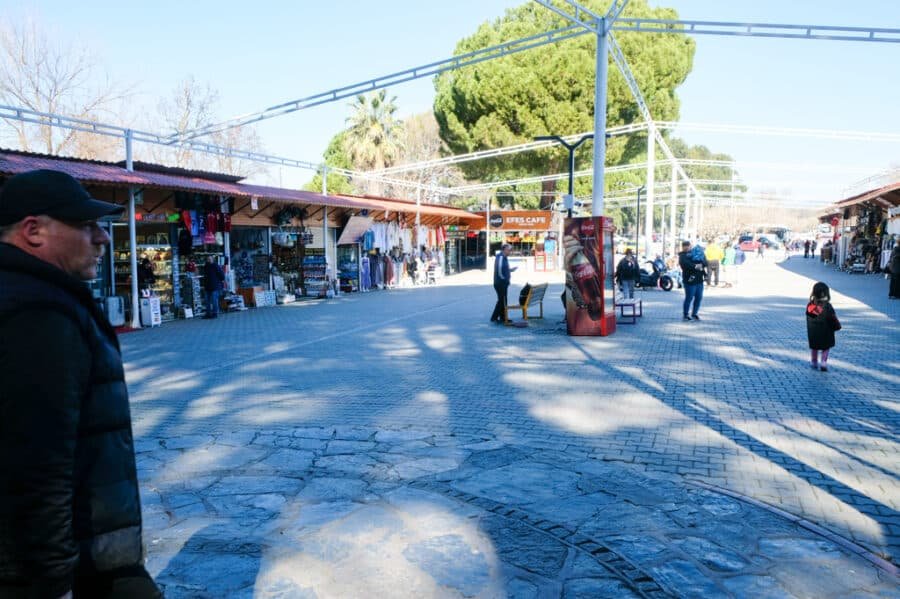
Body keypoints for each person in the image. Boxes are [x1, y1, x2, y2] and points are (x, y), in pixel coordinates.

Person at [0, 169, 161, 597]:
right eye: (86, 226)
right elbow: (35, 465)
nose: (103, 238)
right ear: (34, 230)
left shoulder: (45, 298)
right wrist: (53, 583)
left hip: (86, 552)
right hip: (70, 565)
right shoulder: (35, 313)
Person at [806, 281, 841, 372]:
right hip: (826, 331)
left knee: (814, 347)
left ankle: (814, 362)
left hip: (813, 332)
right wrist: (837, 326)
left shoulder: (810, 305)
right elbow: (832, 318)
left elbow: (810, 317)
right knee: (826, 347)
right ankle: (823, 362)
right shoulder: (827, 306)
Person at [678, 240, 707, 321]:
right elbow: (686, 264)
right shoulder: (682, 256)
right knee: (689, 298)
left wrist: (700, 265)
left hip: (699, 280)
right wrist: (696, 266)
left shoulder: (696, 253)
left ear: (690, 246)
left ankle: (694, 314)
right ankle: (686, 314)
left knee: (699, 297)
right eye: (685, 246)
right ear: (683, 247)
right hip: (689, 281)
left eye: (688, 245)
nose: (687, 247)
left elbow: (705, 262)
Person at [489, 243, 516, 323]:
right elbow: (499, 270)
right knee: (501, 300)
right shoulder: (501, 257)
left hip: (502, 282)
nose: (510, 252)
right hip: (500, 283)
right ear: (504, 250)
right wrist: (504, 279)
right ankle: (494, 317)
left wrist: (510, 270)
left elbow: (503, 269)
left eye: (510, 250)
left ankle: (503, 317)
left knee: (503, 300)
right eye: (509, 250)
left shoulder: (504, 257)